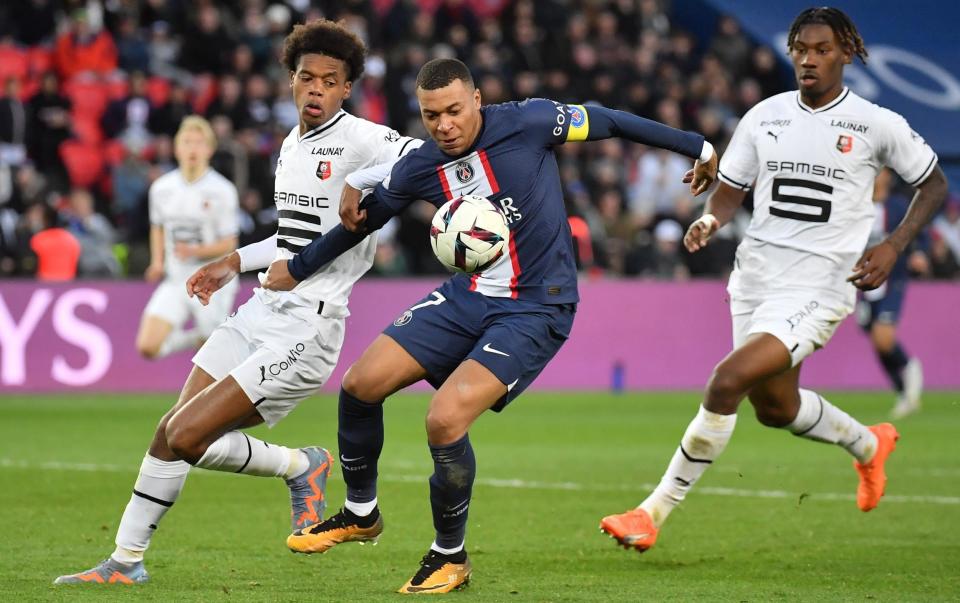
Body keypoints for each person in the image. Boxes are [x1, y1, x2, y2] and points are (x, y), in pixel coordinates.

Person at [262, 57, 718, 593]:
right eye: (431, 116)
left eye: (454, 110)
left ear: (477, 100)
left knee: (444, 419)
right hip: (468, 294)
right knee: (360, 384)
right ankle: (361, 511)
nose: (444, 125)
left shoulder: (531, 122)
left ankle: (449, 555)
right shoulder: (420, 167)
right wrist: (297, 267)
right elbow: (361, 222)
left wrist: (700, 147)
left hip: (537, 306)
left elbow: (610, 120)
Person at [54, 19, 420, 585]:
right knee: (170, 430)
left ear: (347, 88)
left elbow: (421, 156)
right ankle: (125, 562)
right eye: (306, 78)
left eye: (329, 80)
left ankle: (303, 466)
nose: (316, 89)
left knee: (187, 436)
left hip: (308, 329)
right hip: (261, 311)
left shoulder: (363, 138)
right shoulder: (293, 145)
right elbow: (293, 238)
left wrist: (361, 181)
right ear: (292, 81)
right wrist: (233, 262)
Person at [599, 7, 947, 553]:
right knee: (776, 408)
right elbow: (733, 185)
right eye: (801, 49)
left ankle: (652, 512)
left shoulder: (876, 124)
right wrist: (713, 218)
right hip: (757, 277)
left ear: (846, 53)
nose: (809, 59)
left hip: (820, 287)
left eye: (822, 50)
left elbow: (933, 185)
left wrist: (894, 244)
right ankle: (868, 444)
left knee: (726, 381)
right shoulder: (765, 116)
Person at [135, 115, 240, 360]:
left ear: (210, 149)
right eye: (187, 142)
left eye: (199, 142)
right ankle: (199, 338)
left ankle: (209, 340)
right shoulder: (162, 188)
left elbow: (230, 243)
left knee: (212, 358)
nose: (192, 148)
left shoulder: (222, 190)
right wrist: (157, 262)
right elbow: (157, 226)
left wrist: (194, 252)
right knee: (147, 347)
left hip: (212, 282)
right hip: (177, 278)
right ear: (176, 148)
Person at [856, 169, 927, 418]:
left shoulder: (897, 205)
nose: (875, 175)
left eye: (880, 171)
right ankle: (903, 391)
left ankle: (909, 368)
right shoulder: (857, 204)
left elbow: (915, 230)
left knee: (883, 337)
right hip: (864, 282)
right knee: (875, 339)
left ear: (888, 175)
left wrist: (919, 252)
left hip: (893, 278)